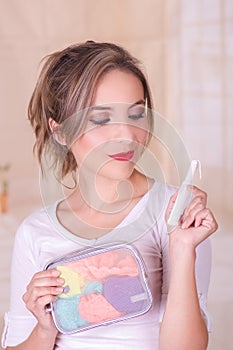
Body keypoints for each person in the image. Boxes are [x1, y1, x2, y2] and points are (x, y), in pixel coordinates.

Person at [2, 41, 218, 350]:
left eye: (136, 114)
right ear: (60, 130)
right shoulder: (34, 232)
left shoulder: (176, 216)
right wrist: (44, 329)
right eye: (101, 119)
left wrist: (182, 249)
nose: (127, 136)